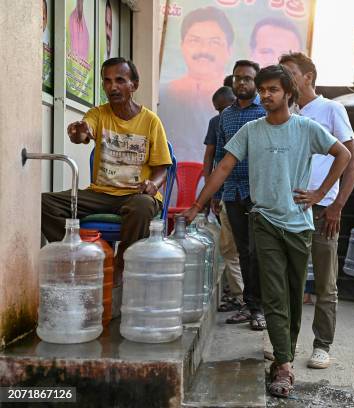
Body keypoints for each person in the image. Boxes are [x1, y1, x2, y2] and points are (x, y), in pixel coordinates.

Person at [182, 64, 350, 398]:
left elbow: (343, 154)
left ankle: (283, 354)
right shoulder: (252, 131)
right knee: (274, 293)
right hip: (265, 221)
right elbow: (223, 168)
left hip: (300, 225)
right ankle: (285, 366)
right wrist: (198, 204)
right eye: (263, 90)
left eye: (272, 89)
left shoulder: (306, 128)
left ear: (288, 92)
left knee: (291, 294)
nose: (266, 95)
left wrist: (319, 194)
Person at [41, 57, 172, 281]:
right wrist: (78, 132)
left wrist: (153, 184)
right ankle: (77, 254)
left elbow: (162, 168)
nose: (113, 87)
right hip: (99, 194)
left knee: (141, 207)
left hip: (136, 195)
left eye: (120, 80)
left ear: (134, 85)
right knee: (43, 203)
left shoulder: (151, 121)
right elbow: (83, 132)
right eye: (107, 81)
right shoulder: (98, 114)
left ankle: (122, 263)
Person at [280, 52, 354, 369]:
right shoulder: (288, 115)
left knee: (325, 283)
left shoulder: (331, 109)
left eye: (290, 73)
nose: (285, 79)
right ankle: (285, 345)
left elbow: (353, 162)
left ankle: (322, 346)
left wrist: (335, 203)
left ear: (308, 77)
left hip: (323, 210)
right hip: (290, 209)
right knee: (289, 282)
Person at [206, 60, 267, 330]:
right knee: (243, 251)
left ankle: (263, 309)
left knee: (259, 252)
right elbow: (220, 154)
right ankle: (251, 307)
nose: (241, 83)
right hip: (232, 191)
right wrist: (215, 192)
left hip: (261, 192)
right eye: (237, 78)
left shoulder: (265, 111)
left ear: (256, 82)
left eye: (247, 78)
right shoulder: (226, 116)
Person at [158, 7, 233, 162]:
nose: (204, 49)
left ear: (229, 50)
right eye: (194, 40)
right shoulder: (161, 93)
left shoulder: (238, 102)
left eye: (214, 42)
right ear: (182, 45)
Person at [202, 86, 243, 312]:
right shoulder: (217, 122)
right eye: (218, 111)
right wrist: (212, 192)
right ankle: (240, 295)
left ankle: (245, 298)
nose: (221, 115)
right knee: (229, 246)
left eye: (224, 108)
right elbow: (212, 157)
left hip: (248, 194)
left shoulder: (254, 118)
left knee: (242, 248)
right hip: (226, 191)